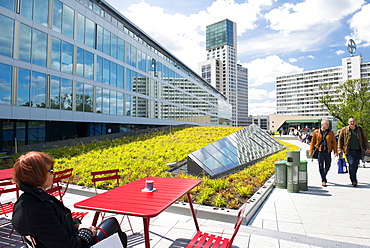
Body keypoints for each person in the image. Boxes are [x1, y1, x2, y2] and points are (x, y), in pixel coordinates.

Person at [11, 152, 128, 248]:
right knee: (113, 224)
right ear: (38, 175)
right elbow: (67, 245)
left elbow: (55, 227)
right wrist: (86, 233)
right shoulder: (39, 208)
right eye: (50, 170)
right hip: (77, 244)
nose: (53, 173)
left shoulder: (24, 202)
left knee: (114, 228)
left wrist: (77, 226)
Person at [338, 117, 370, 187]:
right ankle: (353, 180)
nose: (352, 123)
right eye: (351, 122)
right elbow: (340, 140)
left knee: (355, 165)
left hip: (358, 150)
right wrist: (339, 149)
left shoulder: (360, 130)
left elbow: (365, 139)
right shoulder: (344, 130)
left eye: (353, 121)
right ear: (348, 122)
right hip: (349, 150)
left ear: (355, 122)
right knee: (352, 164)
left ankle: (353, 177)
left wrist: (367, 148)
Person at [310, 119, 337, 187]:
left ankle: (324, 175)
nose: (328, 125)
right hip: (320, 151)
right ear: (322, 125)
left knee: (328, 165)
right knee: (321, 165)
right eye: (326, 124)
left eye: (328, 124)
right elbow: (313, 142)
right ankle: (323, 180)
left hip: (328, 151)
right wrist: (311, 151)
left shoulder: (331, 132)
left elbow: (334, 142)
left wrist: (335, 151)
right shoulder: (316, 132)